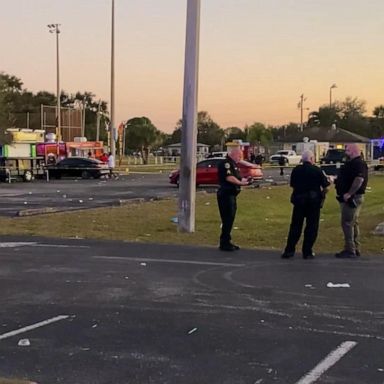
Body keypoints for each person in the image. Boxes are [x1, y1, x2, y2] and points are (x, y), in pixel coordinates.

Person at [281, 150, 330, 259]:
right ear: (312, 159)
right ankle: (307, 251)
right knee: (311, 227)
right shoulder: (317, 170)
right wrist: (321, 194)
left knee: (295, 226)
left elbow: (292, 185)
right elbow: (326, 187)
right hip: (313, 202)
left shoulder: (296, 170)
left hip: (299, 201)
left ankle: (289, 250)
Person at [334, 143, 368, 258]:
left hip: (352, 198)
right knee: (353, 222)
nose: (345, 152)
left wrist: (349, 193)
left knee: (347, 223)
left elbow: (359, 179)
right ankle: (355, 247)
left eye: (347, 150)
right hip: (351, 197)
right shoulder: (352, 163)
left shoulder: (358, 163)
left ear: (354, 151)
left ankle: (350, 249)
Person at [217, 147, 249, 251]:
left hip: (232, 195)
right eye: (239, 155)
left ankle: (227, 240)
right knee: (227, 219)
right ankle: (224, 243)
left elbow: (236, 177)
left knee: (230, 219)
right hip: (226, 195)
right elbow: (229, 178)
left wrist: (245, 180)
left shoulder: (233, 165)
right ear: (233, 154)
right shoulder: (226, 163)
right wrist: (241, 183)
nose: (240, 158)